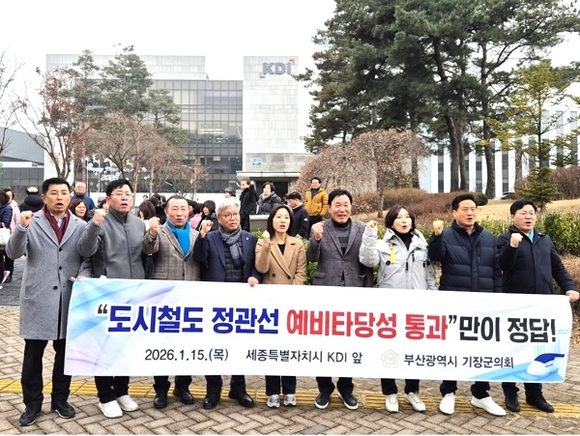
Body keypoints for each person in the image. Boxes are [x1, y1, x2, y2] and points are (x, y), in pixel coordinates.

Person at [6, 177, 92, 426]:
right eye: (54, 193)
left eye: (64, 193)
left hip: (68, 297)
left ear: (70, 196)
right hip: (39, 297)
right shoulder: (31, 221)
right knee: (33, 354)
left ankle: (60, 400)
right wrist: (21, 228)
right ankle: (32, 403)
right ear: (44, 197)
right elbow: (13, 253)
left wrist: (85, 272)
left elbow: (87, 257)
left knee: (64, 354)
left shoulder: (80, 225)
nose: (60, 197)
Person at [497, 199, 580, 413]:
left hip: (542, 306)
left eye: (531, 213)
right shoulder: (505, 239)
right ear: (512, 217)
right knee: (513, 349)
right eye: (523, 213)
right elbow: (501, 266)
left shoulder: (544, 239)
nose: (528, 217)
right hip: (515, 307)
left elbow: (557, 267)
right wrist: (512, 246)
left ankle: (534, 394)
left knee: (537, 348)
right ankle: (510, 392)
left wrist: (569, 287)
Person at [428, 193, 505, 417]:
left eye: (473, 209)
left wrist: (498, 298)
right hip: (454, 302)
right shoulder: (446, 235)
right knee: (452, 347)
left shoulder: (488, 237)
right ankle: (448, 391)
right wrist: (436, 236)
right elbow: (435, 256)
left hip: (483, 304)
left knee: (482, 349)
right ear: (454, 212)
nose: (470, 213)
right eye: (465, 209)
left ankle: (480, 394)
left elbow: (496, 271)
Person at [77, 179, 146, 419]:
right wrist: (95, 224)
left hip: (133, 292)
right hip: (106, 294)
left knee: (125, 344)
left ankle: (122, 390)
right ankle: (105, 396)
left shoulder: (139, 224)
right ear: (108, 199)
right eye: (119, 193)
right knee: (104, 346)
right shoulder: (99, 221)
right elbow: (85, 251)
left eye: (128, 193)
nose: (125, 197)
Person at [359, 204, 437, 413]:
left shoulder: (422, 245)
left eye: (407, 217)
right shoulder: (382, 245)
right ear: (391, 222)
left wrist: (433, 298)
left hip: (416, 307)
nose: (404, 220)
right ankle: (390, 393)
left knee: (414, 350)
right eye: (399, 217)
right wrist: (370, 234)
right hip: (389, 307)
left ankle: (412, 391)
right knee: (389, 350)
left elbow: (429, 275)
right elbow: (367, 260)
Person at [306, 188, 373, 411]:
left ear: (351, 207)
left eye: (346, 205)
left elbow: (368, 262)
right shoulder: (320, 227)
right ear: (329, 208)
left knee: (349, 343)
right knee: (323, 342)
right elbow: (311, 258)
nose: (342, 209)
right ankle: (324, 388)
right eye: (337, 205)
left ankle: (346, 387)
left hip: (354, 292)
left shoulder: (362, 229)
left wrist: (367, 291)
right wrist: (316, 239)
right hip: (325, 292)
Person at [192, 196, 261, 410]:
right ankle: (213, 390)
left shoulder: (250, 238)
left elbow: (257, 265)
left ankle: (238, 388)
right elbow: (198, 258)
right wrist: (202, 236)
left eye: (235, 214)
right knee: (214, 347)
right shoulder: (211, 237)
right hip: (216, 302)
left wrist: (255, 276)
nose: (233, 218)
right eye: (227, 215)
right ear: (219, 218)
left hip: (242, 302)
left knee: (239, 346)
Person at [143, 195, 201, 409]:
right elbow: (148, 249)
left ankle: (183, 386)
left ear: (189, 212)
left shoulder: (196, 234)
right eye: (174, 209)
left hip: (190, 297)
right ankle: (161, 389)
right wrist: (151, 233)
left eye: (183, 209)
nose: (179, 213)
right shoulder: (159, 231)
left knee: (186, 344)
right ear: (166, 212)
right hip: (165, 298)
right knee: (163, 344)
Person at [255, 204, 307, 408]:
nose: (283, 220)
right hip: (270, 302)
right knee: (272, 348)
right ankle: (272, 391)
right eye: (279, 217)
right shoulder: (262, 242)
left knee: (289, 348)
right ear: (272, 220)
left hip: (291, 302)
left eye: (286, 217)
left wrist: (291, 294)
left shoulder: (298, 243)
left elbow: (301, 272)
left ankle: (290, 390)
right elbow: (262, 268)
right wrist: (267, 246)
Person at [2, 187, 19, 283]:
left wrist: (16, 234)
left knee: (9, 256)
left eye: (10, 196)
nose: (8, 197)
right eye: (7, 195)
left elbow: (18, 222)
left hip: (11, 234)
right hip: (3, 234)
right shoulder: (3, 206)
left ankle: (9, 274)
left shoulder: (15, 208)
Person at [0, 190, 13, 286]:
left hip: (2, 236)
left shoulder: (7, 208)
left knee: (2, 258)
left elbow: (6, 223)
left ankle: (2, 277)